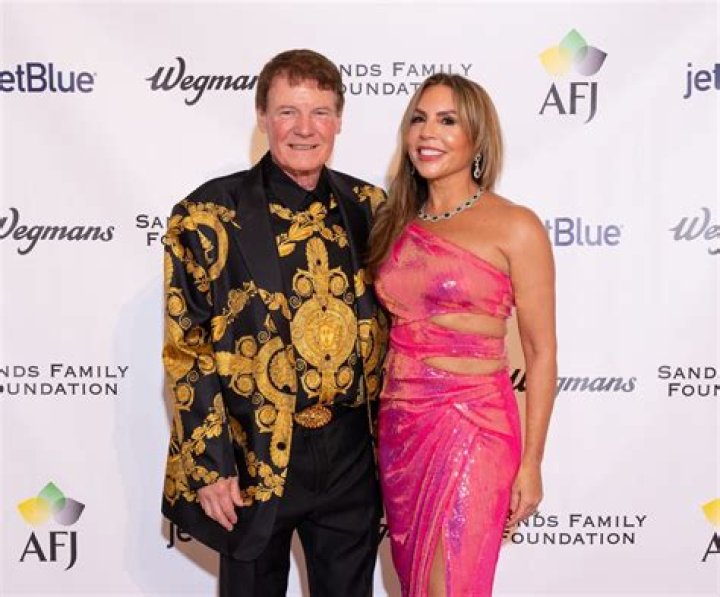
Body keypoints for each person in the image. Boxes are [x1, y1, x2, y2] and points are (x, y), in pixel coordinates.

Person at [161, 49, 387, 597]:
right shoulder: (206, 216)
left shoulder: (371, 206)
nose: (305, 129)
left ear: (339, 120)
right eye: (288, 111)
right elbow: (187, 348)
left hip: (352, 456)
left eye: (320, 112)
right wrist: (210, 464)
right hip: (252, 455)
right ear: (262, 117)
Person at [368, 74, 557, 596]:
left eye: (447, 121)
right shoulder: (393, 223)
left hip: (473, 427)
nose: (428, 133)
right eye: (419, 119)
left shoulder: (516, 226)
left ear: (477, 137)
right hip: (401, 430)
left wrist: (532, 462)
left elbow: (541, 353)